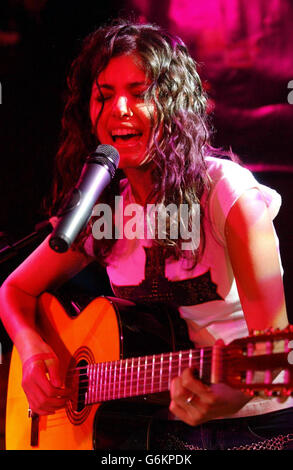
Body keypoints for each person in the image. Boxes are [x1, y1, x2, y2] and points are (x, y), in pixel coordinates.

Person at [0, 19, 292, 450]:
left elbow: (277, 358)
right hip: (154, 431)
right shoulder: (105, 210)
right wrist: (31, 351)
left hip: (256, 429)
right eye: (104, 96)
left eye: (139, 94)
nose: (119, 109)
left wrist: (227, 396)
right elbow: (14, 291)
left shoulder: (228, 195)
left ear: (173, 105)